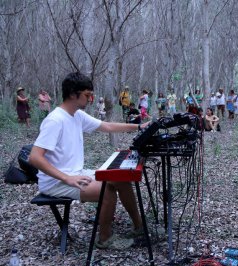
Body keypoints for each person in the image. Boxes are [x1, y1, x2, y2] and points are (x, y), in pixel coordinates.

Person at [29, 72, 151, 250]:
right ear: (73, 94)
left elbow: (107, 126)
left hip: (75, 172)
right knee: (106, 189)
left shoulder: (76, 115)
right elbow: (34, 157)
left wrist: (139, 126)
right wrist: (66, 178)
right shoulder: (55, 120)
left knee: (120, 178)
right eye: (87, 95)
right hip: (56, 181)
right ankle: (104, 238)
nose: (91, 99)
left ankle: (139, 227)